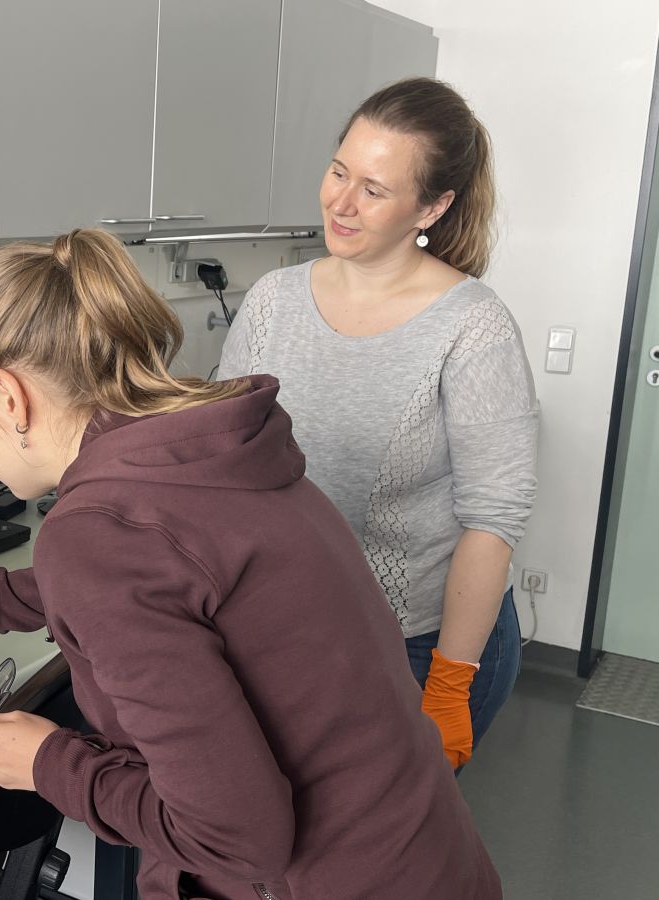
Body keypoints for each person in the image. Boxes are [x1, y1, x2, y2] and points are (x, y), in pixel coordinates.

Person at [0, 228, 501, 899]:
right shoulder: (210, 456)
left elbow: (236, 838)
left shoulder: (99, 536)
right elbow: (148, 581)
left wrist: (45, 762)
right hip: (425, 857)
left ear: (9, 398)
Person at [218, 76, 539, 772]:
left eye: (374, 188)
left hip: (421, 647)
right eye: (338, 172)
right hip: (291, 632)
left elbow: (493, 520)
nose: (341, 201)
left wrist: (449, 686)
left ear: (434, 205)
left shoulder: (473, 327)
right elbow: (223, 459)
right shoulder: (272, 301)